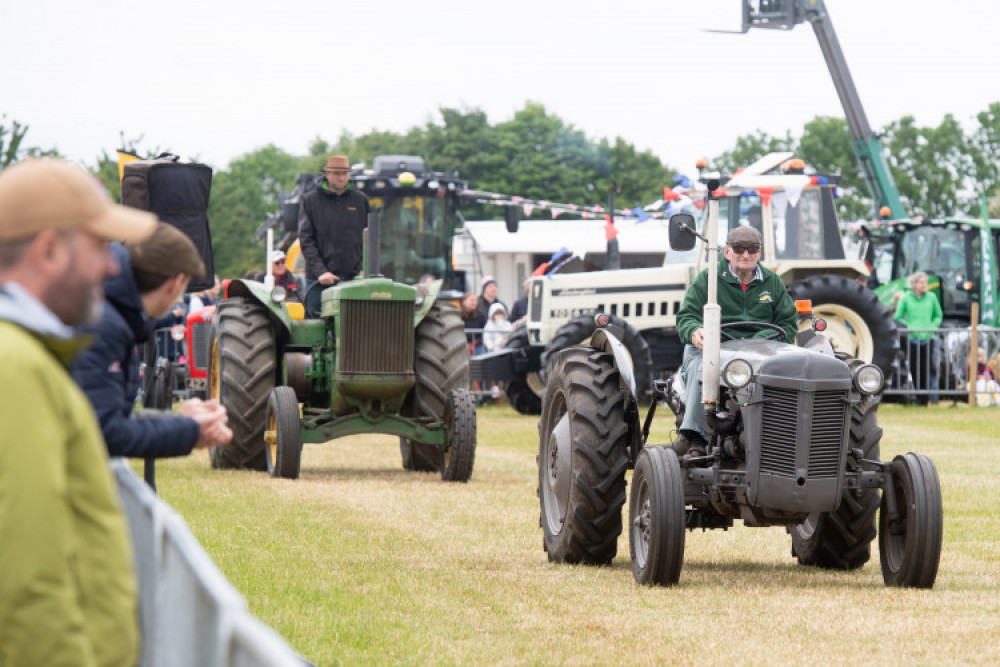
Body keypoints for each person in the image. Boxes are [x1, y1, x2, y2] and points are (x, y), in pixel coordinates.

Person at [0, 157, 157, 665]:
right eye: (98, 247)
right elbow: (27, 581)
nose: (112, 267)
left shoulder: (27, 357)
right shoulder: (16, 367)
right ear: (48, 249)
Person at [71, 221, 233, 459]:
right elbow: (102, 434)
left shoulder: (109, 315)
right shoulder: (105, 326)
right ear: (175, 283)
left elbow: (105, 417)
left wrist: (179, 421)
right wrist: (188, 430)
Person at [674, 225, 798, 460]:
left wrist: (760, 343)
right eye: (739, 249)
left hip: (761, 351)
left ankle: (782, 438)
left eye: (752, 249)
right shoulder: (708, 280)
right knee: (701, 367)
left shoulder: (772, 283)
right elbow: (686, 316)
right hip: (714, 347)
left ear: (759, 253)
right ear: (727, 252)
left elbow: (788, 324)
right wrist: (694, 331)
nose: (746, 255)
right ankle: (697, 440)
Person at [298, 155, 370, 316]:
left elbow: (370, 238)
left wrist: (364, 269)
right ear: (327, 175)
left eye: (344, 173)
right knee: (314, 333)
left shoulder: (361, 200)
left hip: (354, 280)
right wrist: (321, 272)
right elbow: (306, 240)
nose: (341, 177)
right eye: (337, 173)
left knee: (360, 328)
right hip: (318, 282)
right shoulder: (310, 201)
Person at [894, 270, 942, 406]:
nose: (924, 285)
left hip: (929, 337)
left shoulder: (932, 297)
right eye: (921, 282)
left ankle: (926, 398)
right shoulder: (906, 298)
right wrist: (909, 326)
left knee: (928, 368)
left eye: (925, 282)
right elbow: (898, 317)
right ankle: (919, 397)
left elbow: (938, 315)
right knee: (915, 368)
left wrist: (933, 327)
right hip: (913, 338)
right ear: (913, 284)